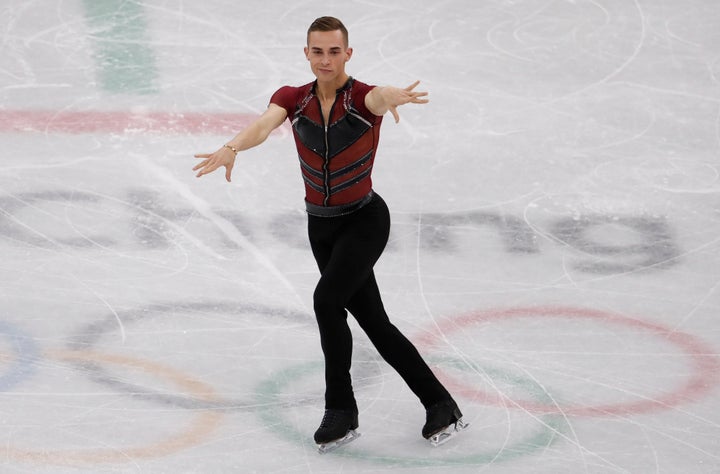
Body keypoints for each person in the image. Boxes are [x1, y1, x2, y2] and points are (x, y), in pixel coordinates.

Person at [194, 16, 465, 449]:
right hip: (320, 226)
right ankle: (439, 402)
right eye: (317, 51)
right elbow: (264, 125)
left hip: (365, 221)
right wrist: (230, 148)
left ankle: (340, 408)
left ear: (348, 53)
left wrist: (391, 94)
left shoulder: (360, 99)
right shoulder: (293, 98)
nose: (325, 59)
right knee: (374, 322)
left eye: (334, 51)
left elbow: (377, 98)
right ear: (306, 54)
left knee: (326, 300)